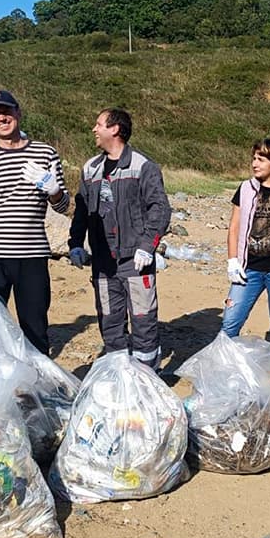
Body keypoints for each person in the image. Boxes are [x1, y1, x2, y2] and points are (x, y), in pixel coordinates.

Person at [0, 89, 70, 356]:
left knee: (35, 327)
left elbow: (62, 206)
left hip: (32, 256)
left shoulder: (45, 154)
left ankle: (36, 390)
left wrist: (52, 188)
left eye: (6, 111)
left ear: (18, 113)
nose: (1, 118)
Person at [67, 108, 171, 369]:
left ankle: (146, 378)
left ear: (115, 129)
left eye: (99, 124)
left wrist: (147, 246)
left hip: (134, 260)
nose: (94, 129)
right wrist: (76, 244)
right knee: (109, 321)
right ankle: (119, 377)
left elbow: (159, 208)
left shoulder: (142, 166)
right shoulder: (91, 169)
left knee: (143, 321)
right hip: (103, 263)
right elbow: (82, 210)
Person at [222, 137, 270, 355]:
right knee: (230, 321)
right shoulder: (246, 188)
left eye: (262, 159)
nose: (255, 163)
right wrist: (232, 262)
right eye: (254, 158)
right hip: (248, 268)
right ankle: (224, 370)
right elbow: (234, 227)